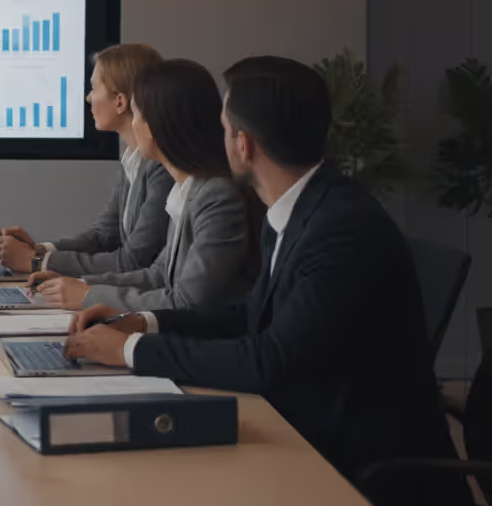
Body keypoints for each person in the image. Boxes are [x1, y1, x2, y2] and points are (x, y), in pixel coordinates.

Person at [64, 56, 469, 506]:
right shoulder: (302, 208)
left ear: (244, 144)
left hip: (359, 470)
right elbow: (251, 314)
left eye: (223, 128)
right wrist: (143, 323)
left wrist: (128, 351)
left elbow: (269, 362)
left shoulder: (340, 229)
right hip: (311, 433)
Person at [25, 59, 261, 311]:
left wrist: (86, 295)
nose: (133, 124)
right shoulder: (187, 189)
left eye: (136, 114)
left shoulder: (216, 197)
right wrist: (82, 284)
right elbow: (158, 275)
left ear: (160, 123)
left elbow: (187, 301)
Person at [0, 43, 173, 276]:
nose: (89, 98)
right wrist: (39, 250)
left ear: (120, 102)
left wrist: (37, 263)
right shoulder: (132, 158)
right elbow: (103, 236)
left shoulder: (161, 168)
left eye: (94, 88)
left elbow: (133, 262)